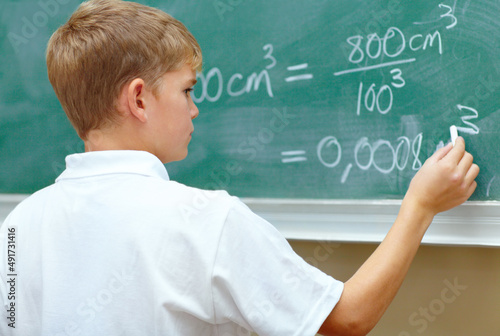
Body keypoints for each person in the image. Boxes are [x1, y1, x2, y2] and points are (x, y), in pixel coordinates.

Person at [0, 0, 479, 335]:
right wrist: (419, 205)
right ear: (140, 98)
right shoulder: (205, 221)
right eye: (187, 89)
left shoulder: (18, 227)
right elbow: (343, 321)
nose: (195, 109)